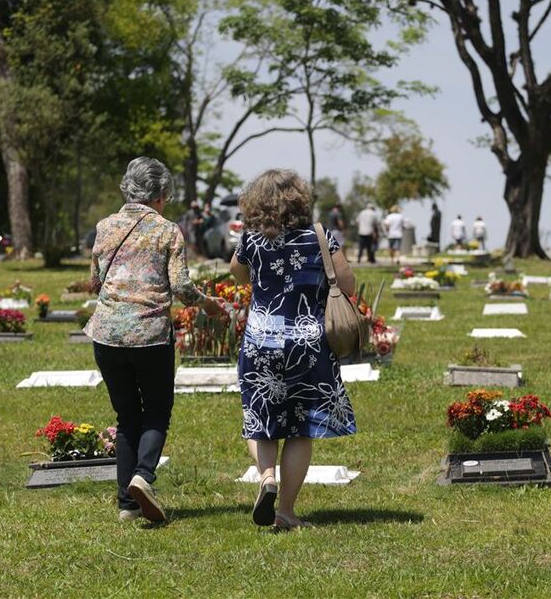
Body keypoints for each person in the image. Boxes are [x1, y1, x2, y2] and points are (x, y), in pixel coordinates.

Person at [85, 157, 226, 524]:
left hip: (106, 335)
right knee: (157, 412)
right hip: (150, 335)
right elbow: (180, 286)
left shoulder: (104, 226)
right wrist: (208, 305)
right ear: (162, 194)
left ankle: (127, 505)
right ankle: (143, 477)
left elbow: (95, 281)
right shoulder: (167, 231)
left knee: (126, 415)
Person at [230, 169, 357, 530]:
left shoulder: (250, 240)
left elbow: (238, 276)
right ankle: (285, 510)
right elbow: (347, 283)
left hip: (260, 342)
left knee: (260, 421)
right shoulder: (320, 236)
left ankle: (266, 476)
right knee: (301, 428)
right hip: (309, 343)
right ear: (301, 200)